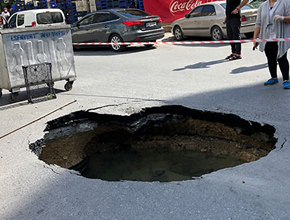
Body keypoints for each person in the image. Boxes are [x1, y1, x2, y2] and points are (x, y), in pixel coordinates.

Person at [253, 0, 290, 89]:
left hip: (281, 36)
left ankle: (286, 80)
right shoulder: (263, 6)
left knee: (282, 57)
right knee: (270, 57)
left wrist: (282, 18)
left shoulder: (286, 2)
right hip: (267, 37)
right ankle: (274, 77)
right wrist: (255, 38)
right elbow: (258, 23)